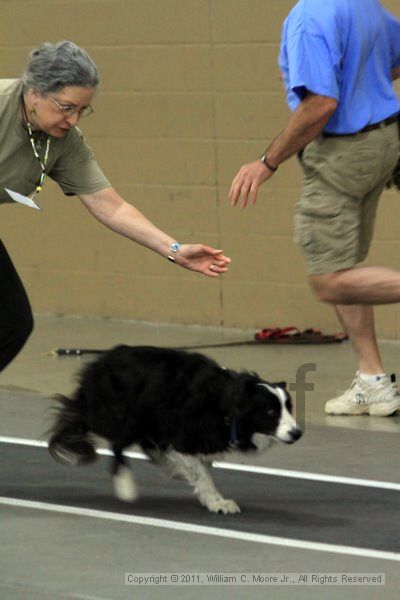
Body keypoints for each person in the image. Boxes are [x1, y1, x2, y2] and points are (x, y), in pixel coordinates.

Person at [0, 41, 230, 373]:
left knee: (13, 323)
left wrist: (175, 249)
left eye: (82, 109)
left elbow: (111, 206)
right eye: (66, 107)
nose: (73, 119)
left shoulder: (63, 141)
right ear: (34, 92)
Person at [229, 0, 400, 416]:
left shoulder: (310, 15)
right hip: (384, 141)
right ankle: (373, 380)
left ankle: (373, 378)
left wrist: (267, 162)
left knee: (329, 280)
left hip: (344, 154)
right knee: (346, 265)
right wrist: (366, 84)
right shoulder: (366, 7)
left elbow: (320, 104)